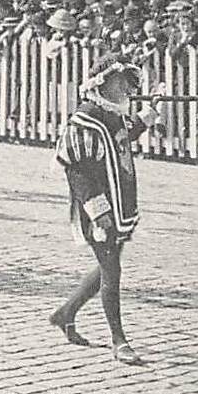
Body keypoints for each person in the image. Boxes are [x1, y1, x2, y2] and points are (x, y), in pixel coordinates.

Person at [49, 57, 158, 366]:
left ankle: (66, 313)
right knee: (112, 270)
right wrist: (97, 211)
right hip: (97, 208)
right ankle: (119, 340)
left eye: (127, 80)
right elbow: (75, 170)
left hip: (120, 203)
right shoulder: (85, 118)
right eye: (119, 81)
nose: (126, 86)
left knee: (109, 265)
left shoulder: (111, 114)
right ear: (100, 84)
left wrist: (149, 114)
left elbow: (125, 135)